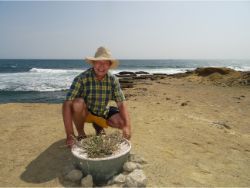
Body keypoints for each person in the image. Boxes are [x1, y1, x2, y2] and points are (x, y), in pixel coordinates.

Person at [62, 46, 131, 147]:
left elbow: (121, 103)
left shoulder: (113, 80)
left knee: (122, 122)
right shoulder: (81, 79)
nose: (102, 66)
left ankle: (98, 127)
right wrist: (69, 134)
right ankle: (81, 133)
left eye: (106, 63)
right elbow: (67, 104)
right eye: (98, 62)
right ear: (93, 63)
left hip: (102, 111)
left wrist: (127, 126)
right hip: (85, 113)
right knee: (77, 103)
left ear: (109, 65)